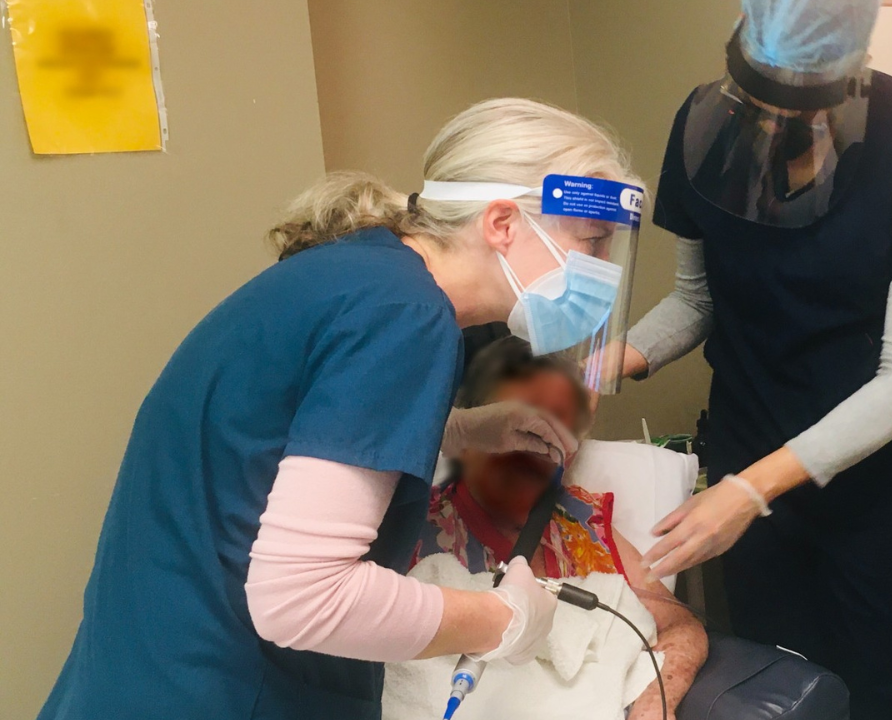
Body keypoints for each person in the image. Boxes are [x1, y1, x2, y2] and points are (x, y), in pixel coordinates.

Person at [39, 98, 645, 720]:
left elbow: (280, 440)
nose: (600, 271)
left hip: (142, 667)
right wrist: (503, 620)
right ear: (501, 223)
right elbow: (302, 597)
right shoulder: (405, 318)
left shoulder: (364, 273)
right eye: (592, 242)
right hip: (221, 688)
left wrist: (459, 429)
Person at [619, 2, 892, 718]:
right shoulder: (700, 129)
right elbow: (696, 302)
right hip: (753, 484)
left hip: (887, 498)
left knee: (888, 700)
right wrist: (607, 361)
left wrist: (751, 491)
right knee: (778, 696)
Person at [406, 337, 707, 720]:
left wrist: (652, 707)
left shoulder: (587, 526)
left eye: (561, 428)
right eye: (526, 428)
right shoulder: (417, 531)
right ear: (475, 429)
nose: (541, 449)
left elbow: (681, 626)